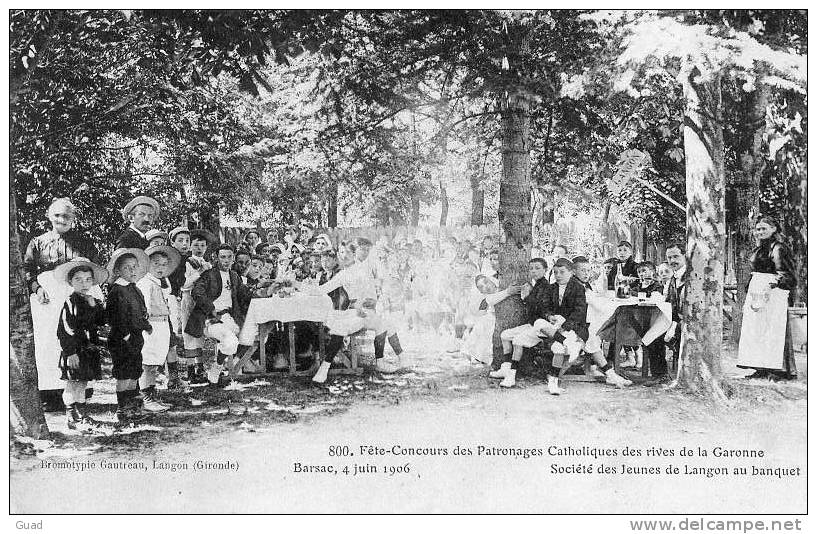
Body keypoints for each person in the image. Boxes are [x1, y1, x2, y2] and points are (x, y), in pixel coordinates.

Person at [23, 198, 102, 410]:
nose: (62, 219)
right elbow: (28, 271)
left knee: (77, 336)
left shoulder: (83, 242)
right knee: (48, 342)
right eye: (57, 215)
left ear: (73, 218)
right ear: (49, 216)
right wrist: (37, 289)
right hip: (46, 300)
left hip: (74, 296)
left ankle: (79, 391)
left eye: (67, 216)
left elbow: (91, 269)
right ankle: (50, 393)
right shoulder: (38, 242)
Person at [307, 237, 404, 374]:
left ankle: (387, 361)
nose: (344, 255)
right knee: (376, 324)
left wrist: (370, 303)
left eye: (347, 252)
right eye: (341, 252)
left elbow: (368, 291)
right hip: (355, 311)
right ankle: (325, 367)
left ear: (353, 254)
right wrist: (297, 286)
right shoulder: (343, 274)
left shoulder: (362, 269)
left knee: (385, 324)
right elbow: (322, 289)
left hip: (365, 310)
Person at [493, 259, 587, 394]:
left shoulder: (578, 288)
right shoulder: (552, 287)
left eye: (562, 272)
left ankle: (553, 383)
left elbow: (579, 312)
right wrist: (549, 316)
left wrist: (564, 326)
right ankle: (511, 376)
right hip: (550, 326)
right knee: (523, 336)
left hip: (570, 327)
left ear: (571, 273)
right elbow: (544, 308)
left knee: (557, 347)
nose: (558, 275)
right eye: (555, 272)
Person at [737, 216, 798, 380]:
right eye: (758, 229)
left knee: (772, 330)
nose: (760, 232)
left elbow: (787, 274)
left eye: (764, 228)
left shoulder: (779, 248)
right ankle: (761, 367)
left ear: (774, 229)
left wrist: (770, 285)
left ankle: (777, 370)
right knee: (757, 330)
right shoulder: (758, 250)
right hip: (757, 291)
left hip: (774, 292)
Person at [185, 244, 253, 385]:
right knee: (231, 342)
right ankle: (216, 369)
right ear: (216, 258)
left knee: (249, 335)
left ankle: (223, 367)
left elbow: (245, 295)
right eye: (223, 257)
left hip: (229, 318)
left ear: (233, 258)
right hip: (210, 318)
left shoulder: (234, 276)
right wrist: (211, 308)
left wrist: (264, 290)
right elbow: (196, 292)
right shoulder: (209, 275)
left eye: (229, 257)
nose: (226, 260)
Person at [54, 258, 108, 431]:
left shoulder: (91, 300)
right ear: (71, 281)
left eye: (88, 279)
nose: (84, 284)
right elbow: (65, 330)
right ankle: (71, 417)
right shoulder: (70, 302)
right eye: (78, 279)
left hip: (88, 350)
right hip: (75, 351)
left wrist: (96, 306)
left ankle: (81, 414)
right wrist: (70, 353)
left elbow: (100, 322)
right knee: (72, 383)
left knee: (83, 382)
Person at [106, 248, 152, 426]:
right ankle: (123, 408)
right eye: (127, 268)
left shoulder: (134, 289)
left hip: (135, 338)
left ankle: (132, 405)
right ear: (118, 271)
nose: (132, 271)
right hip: (121, 340)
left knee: (134, 372)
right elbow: (114, 318)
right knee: (124, 374)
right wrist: (126, 336)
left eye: (134, 267)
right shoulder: (116, 291)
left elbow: (139, 313)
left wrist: (146, 325)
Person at [571, 256, 632, 388]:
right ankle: (610, 374)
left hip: (583, 323)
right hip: (573, 325)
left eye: (588, 270)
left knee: (597, 334)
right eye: (583, 270)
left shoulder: (583, 285)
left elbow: (594, 298)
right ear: (573, 271)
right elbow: (596, 304)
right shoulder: (576, 286)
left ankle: (604, 371)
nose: (586, 273)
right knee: (593, 337)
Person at [137, 246, 182, 411]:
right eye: (156, 264)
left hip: (163, 324)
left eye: (163, 264)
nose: (160, 268)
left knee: (155, 362)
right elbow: (144, 309)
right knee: (147, 362)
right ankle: (146, 397)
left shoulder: (163, 282)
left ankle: (152, 394)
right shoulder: (145, 282)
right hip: (152, 326)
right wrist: (146, 328)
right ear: (147, 265)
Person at [311, 249, 351, 384]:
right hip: (325, 308)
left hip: (339, 308)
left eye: (328, 260)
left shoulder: (339, 274)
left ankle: (329, 356)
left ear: (335, 261)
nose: (325, 263)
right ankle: (319, 356)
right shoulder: (322, 275)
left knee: (321, 324)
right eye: (322, 260)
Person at [180, 229, 214, 384]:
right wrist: (199, 272)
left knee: (199, 333)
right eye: (196, 245)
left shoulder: (208, 264)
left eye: (202, 245)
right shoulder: (187, 263)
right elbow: (184, 285)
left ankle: (199, 368)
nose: (199, 248)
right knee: (189, 334)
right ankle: (189, 370)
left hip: (201, 301)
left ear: (206, 247)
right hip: (188, 299)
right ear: (191, 246)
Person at [166, 226, 191, 391]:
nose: (184, 244)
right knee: (170, 336)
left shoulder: (188, 260)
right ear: (172, 242)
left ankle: (174, 377)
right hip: (168, 299)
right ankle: (171, 377)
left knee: (175, 337)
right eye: (180, 240)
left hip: (181, 298)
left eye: (187, 241)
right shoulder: (167, 259)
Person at [663, 242, 688, 376]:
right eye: (669, 258)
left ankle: (676, 371)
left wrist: (675, 323)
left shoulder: (690, 276)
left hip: (686, 320)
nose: (672, 260)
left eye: (676, 256)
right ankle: (660, 373)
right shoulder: (673, 277)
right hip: (674, 319)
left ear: (685, 256)